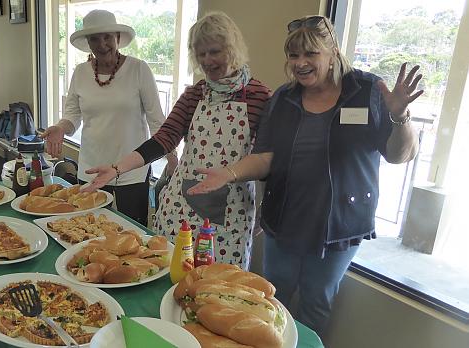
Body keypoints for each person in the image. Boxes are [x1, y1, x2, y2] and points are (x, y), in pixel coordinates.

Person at [187, 15, 422, 336]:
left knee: (316, 302)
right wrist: (229, 173)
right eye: (293, 55)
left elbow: (400, 156)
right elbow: (266, 157)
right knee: (270, 299)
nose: (300, 63)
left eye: (310, 54)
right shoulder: (284, 98)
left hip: (339, 227)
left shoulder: (367, 91)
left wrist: (399, 116)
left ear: (332, 51)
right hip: (284, 222)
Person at [82, 12, 271, 269]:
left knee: (218, 283)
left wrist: (266, 205)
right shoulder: (195, 95)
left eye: (214, 51)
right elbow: (164, 138)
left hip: (230, 212)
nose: (207, 61)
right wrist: (117, 168)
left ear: (233, 48)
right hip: (181, 206)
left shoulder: (260, 97)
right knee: (168, 274)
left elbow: (267, 158)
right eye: (200, 54)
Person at [41, 9, 175, 226]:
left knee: (132, 233)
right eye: (95, 39)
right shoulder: (80, 72)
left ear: (118, 38)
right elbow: (73, 116)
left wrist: (172, 157)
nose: (102, 44)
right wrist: (60, 128)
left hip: (132, 171)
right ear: (88, 42)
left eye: (107, 37)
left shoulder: (138, 69)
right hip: (90, 169)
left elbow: (156, 119)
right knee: (87, 230)